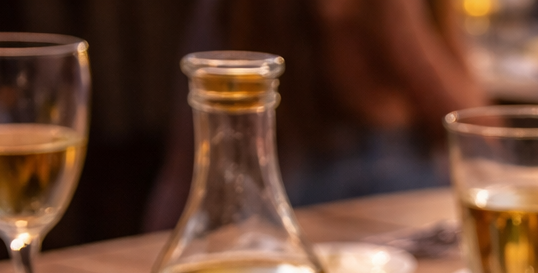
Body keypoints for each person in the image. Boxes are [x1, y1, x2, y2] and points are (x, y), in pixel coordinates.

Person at [147, 0, 487, 226]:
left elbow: (483, 133)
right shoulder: (242, 11)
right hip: (291, 221)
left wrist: (403, 29)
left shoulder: (419, 8)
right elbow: (187, 169)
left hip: (420, 229)